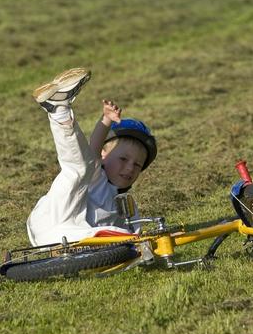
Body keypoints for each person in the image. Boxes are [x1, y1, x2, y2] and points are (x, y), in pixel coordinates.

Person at [26, 67, 157, 246]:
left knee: (123, 236)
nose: (129, 168)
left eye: (137, 165)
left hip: (75, 237)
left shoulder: (127, 206)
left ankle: (58, 109)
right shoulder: (96, 176)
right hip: (49, 222)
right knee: (80, 168)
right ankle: (59, 110)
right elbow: (94, 147)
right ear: (104, 154)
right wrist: (106, 120)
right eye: (123, 159)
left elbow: (134, 235)